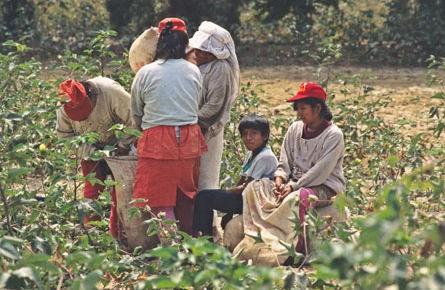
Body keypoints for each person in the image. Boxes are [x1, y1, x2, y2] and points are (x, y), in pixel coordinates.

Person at [233, 82, 345, 266]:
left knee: (298, 198)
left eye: (303, 108)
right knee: (255, 186)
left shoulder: (334, 135)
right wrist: (280, 179)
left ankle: (296, 250)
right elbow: (285, 161)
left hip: (323, 186)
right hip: (292, 182)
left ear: (318, 108)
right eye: (297, 109)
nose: (299, 113)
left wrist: (293, 186)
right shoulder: (295, 128)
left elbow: (320, 171)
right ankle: (261, 233)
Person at [131, 17, 207, 235]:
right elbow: (196, 102)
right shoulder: (193, 71)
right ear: (185, 43)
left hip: (157, 140)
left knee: (159, 201)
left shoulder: (146, 72)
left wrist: (146, 128)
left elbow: (136, 112)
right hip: (189, 137)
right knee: (186, 198)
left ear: (159, 43)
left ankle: (171, 251)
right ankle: (191, 248)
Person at [56, 77, 135, 238]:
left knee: (120, 193)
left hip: (119, 148)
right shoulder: (63, 105)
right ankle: (92, 236)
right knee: (91, 193)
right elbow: (64, 137)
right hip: (89, 150)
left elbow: (134, 119)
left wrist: (122, 145)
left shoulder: (110, 92)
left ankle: (119, 235)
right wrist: (90, 151)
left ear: (90, 97)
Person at [192, 115, 278, 237]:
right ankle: (205, 236)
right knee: (206, 196)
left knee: (204, 197)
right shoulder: (252, 153)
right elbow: (243, 180)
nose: (248, 138)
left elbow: (246, 188)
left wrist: (226, 192)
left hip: (256, 201)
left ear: (264, 136)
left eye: (254, 134)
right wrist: (229, 212)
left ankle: (204, 238)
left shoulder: (266, 157)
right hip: (246, 197)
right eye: (245, 134)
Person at [188, 21, 240, 191]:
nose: (197, 52)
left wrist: (192, 122)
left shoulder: (220, 69)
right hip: (191, 129)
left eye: (202, 51)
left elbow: (215, 105)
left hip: (207, 131)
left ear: (212, 53)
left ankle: (205, 217)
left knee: (205, 181)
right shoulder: (196, 65)